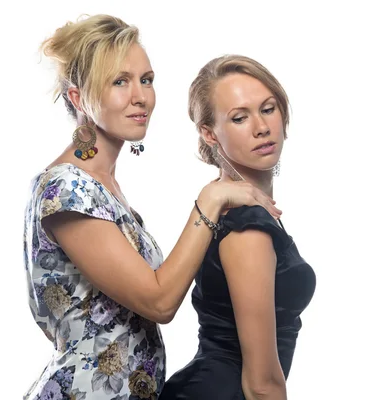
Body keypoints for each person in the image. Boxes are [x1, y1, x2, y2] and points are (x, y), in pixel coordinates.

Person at [22, 16, 281, 400]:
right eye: (119, 82)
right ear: (78, 98)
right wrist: (212, 197)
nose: (141, 96)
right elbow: (159, 301)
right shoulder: (67, 189)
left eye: (146, 79)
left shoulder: (104, 188)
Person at [159, 55, 317, 400]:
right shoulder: (247, 229)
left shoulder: (236, 212)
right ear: (209, 133)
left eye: (269, 109)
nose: (261, 127)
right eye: (240, 118)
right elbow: (262, 385)